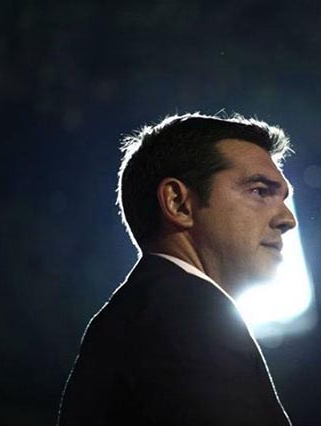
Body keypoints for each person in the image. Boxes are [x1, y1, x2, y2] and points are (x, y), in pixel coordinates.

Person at [58, 113, 297, 425]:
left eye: (283, 198)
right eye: (260, 191)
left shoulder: (145, 311)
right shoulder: (185, 314)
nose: (287, 219)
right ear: (178, 203)